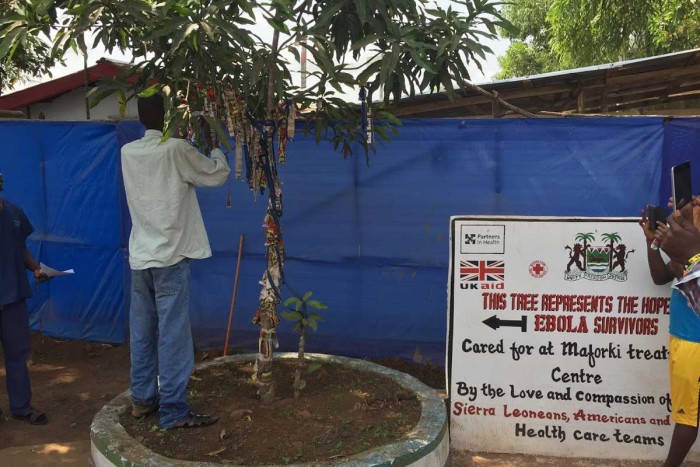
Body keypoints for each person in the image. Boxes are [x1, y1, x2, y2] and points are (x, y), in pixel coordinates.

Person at [121, 93, 230, 429]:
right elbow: (215, 175)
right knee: (173, 335)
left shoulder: (129, 152)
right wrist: (216, 150)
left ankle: (142, 400)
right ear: (167, 117)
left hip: (141, 256)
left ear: (141, 119)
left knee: (142, 331)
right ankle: (174, 409)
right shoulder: (176, 149)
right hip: (170, 256)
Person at [650, 199, 700, 467]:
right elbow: (661, 276)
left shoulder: (694, 251)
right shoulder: (691, 250)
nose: (691, 206)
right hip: (684, 341)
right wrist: (653, 243)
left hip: (695, 346)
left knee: (687, 416)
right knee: (688, 415)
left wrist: (691, 255)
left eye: (697, 203)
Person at [0, 171, 49, 425]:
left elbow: (20, 249)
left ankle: (21, 406)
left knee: (18, 354)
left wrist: (36, 268)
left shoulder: (15, 214)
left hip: (13, 297)